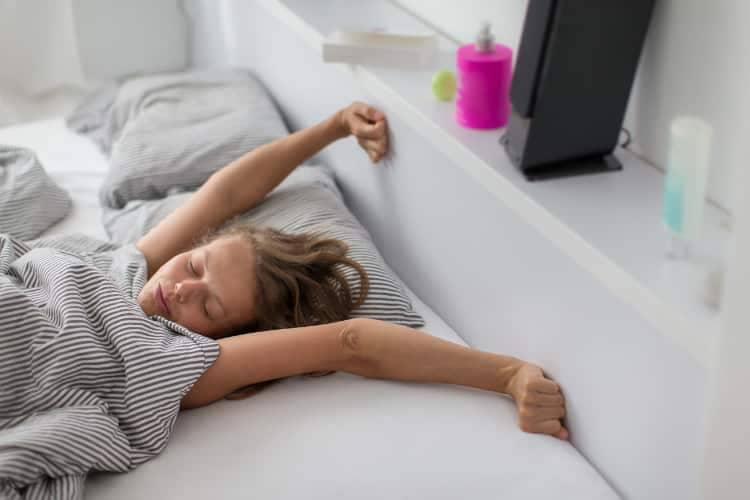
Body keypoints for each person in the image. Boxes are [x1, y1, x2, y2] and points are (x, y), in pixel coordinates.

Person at [135, 102, 569, 441]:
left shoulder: (185, 361)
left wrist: (509, 374)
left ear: (224, 337)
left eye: (209, 307)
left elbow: (350, 344)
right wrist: (335, 126)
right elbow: (226, 193)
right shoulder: (137, 264)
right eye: (193, 264)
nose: (180, 290)